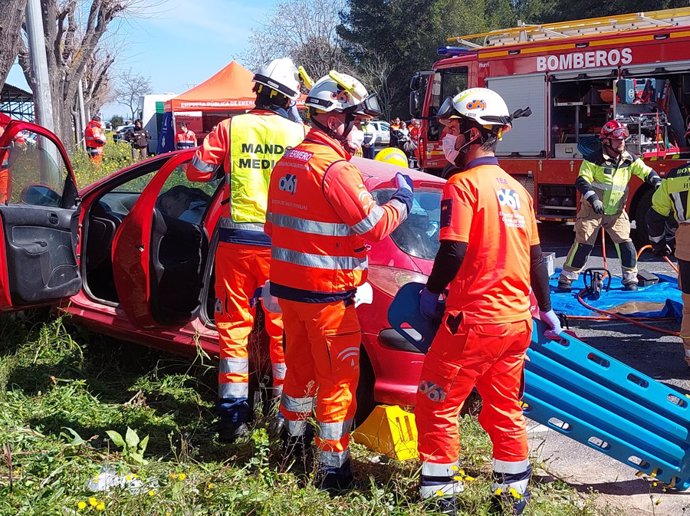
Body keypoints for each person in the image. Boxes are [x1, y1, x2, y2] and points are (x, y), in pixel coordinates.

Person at [414, 88, 562, 515]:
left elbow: (454, 251)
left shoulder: (461, 186)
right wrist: (546, 308)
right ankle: (512, 495)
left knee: (436, 402)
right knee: (503, 409)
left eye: (451, 129)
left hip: (474, 320)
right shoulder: (519, 191)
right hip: (517, 322)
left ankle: (439, 499)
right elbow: (536, 259)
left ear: (474, 134)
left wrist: (429, 291)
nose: (446, 138)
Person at [265, 70, 413, 492]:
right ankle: (334, 470)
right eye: (357, 120)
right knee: (338, 385)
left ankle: (292, 448)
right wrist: (401, 201)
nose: (361, 130)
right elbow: (373, 226)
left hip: (290, 294)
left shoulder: (288, 163)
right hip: (328, 299)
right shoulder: (335, 170)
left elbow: (275, 228)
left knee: (299, 373)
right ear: (334, 119)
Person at [186, 57, 308, 442]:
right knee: (282, 330)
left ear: (257, 90)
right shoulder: (298, 135)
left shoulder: (230, 128)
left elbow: (196, 172)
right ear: (288, 98)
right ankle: (284, 417)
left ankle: (233, 418)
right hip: (282, 247)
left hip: (237, 244)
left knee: (234, 330)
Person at [557, 120, 661, 291]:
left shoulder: (629, 159)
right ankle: (567, 277)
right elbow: (582, 180)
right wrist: (593, 199)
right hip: (592, 211)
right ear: (606, 141)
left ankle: (630, 278)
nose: (622, 143)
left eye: (623, 140)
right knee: (583, 245)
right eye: (618, 140)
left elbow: (646, 171)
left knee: (625, 244)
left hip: (616, 213)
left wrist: (657, 183)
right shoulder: (593, 160)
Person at [647, 164, 689, 366]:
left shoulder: (673, 177)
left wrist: (659, 244)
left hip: (687, 244)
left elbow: (654, 216)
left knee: (689, 307)